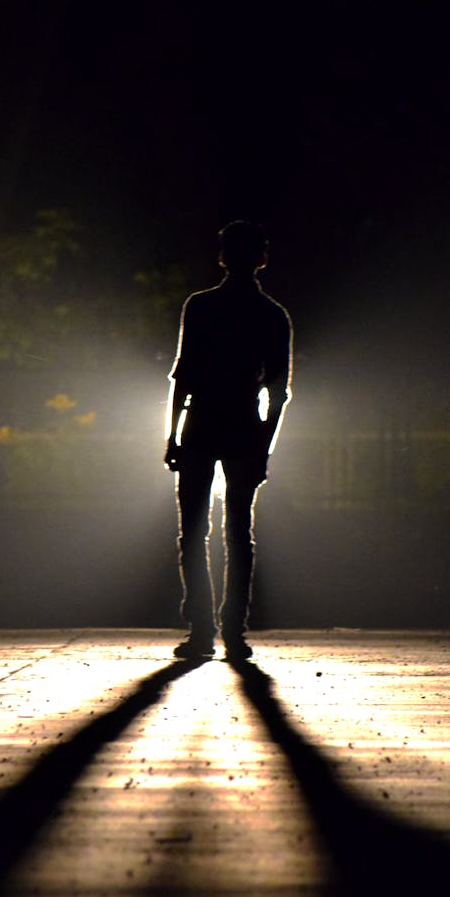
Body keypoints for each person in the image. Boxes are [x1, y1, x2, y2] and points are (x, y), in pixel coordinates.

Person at [164, 220, 293, 661]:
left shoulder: (200, 307)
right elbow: (278, 392)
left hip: (201, 425)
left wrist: (172, 437)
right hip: (243, 426)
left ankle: (202, 629)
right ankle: (234, 630)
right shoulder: (272, 315)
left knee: (193, 531)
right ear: (262, 258)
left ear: (223, 256)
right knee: (239, 532)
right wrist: (263, 446)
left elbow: (183, 378)